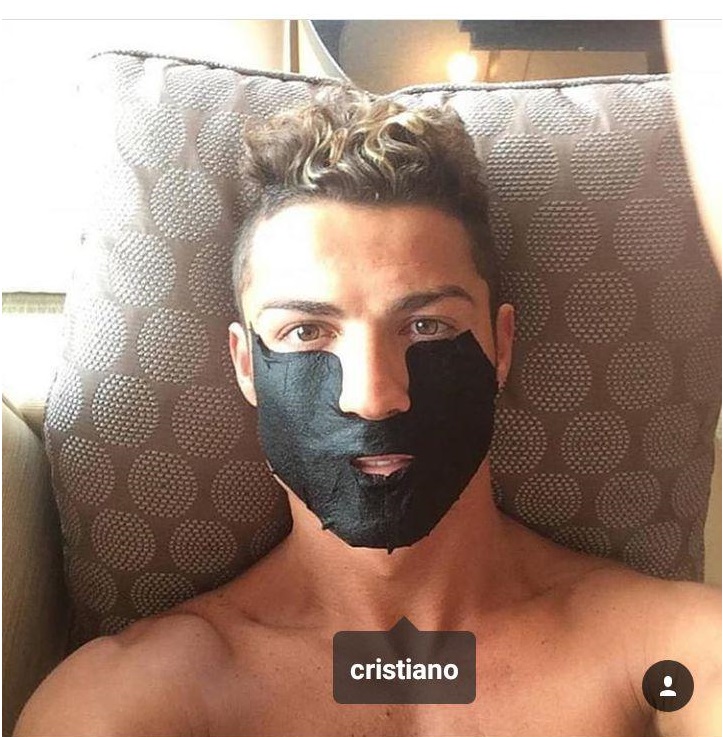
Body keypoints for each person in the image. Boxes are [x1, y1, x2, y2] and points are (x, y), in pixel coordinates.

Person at [15, 90, 720, 737]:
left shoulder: (666, 654)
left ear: (500, 347)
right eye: (306, 332)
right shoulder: (136, 699)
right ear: (246, 364)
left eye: (427, 327)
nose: (374, 396)